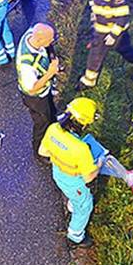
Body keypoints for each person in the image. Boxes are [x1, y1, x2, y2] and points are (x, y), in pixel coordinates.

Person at [38, 97, 108, 248]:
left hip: (57, 173)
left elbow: (42, 152)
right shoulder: (81, 149)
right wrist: (100, 162)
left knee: (72, 197)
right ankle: (75, 236)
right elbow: (89, 177)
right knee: (84, 207)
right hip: (75, 182)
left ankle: (71, 206)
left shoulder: (53, 128)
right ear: (84, 122)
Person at [17, 23, 60, 156]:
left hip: (44, 92)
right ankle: (39, 151)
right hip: (35, 98)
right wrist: (50, 73)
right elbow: (32, 88)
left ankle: (55, 132)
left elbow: (47, 45)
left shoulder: (31, 34)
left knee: (51, 113)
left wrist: (52, 57)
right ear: (40, 40)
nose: (52, 41)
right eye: (50, 40)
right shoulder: (27, 65)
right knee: (42, 122)